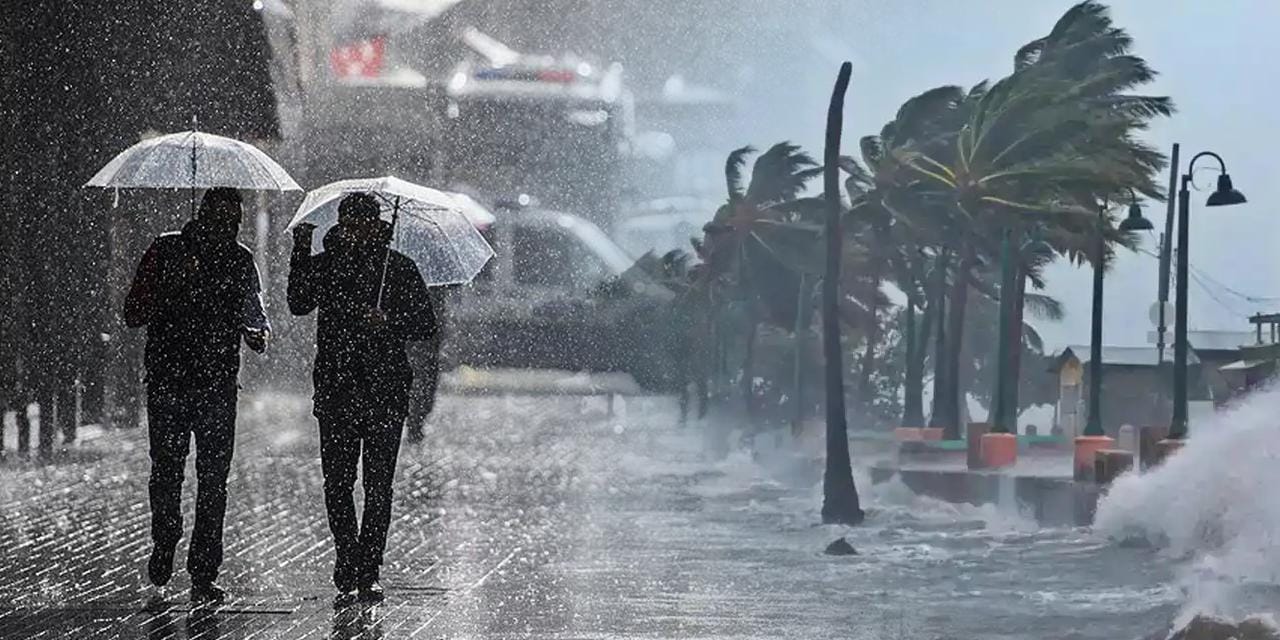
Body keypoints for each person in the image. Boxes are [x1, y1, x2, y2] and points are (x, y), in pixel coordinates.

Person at [124, 187, 269, 604]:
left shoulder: (240, 260)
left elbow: (254, 315)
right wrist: (171, 287)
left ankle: (204, 570)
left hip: (218, 385)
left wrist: (256, 334)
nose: (227, 229)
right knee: (167, 472)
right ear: (202, 215)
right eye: (220, 219)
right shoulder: (166, 251)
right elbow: (132, 312)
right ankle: (166, 537)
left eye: (233, 222)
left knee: (213, 481)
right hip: (170, 381)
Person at [288, 193, 434, 604]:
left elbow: (425, 324)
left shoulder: (399, 268)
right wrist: (301, 251)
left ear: (376, 225)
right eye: (347, 225)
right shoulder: (328, 263)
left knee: (378, 485)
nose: (353, 233)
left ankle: (369, 568)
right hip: (337, 388)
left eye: (360, 225)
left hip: (385, 389)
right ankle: (346, 555)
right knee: (337, 483)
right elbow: (299, 303)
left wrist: (389, 319)